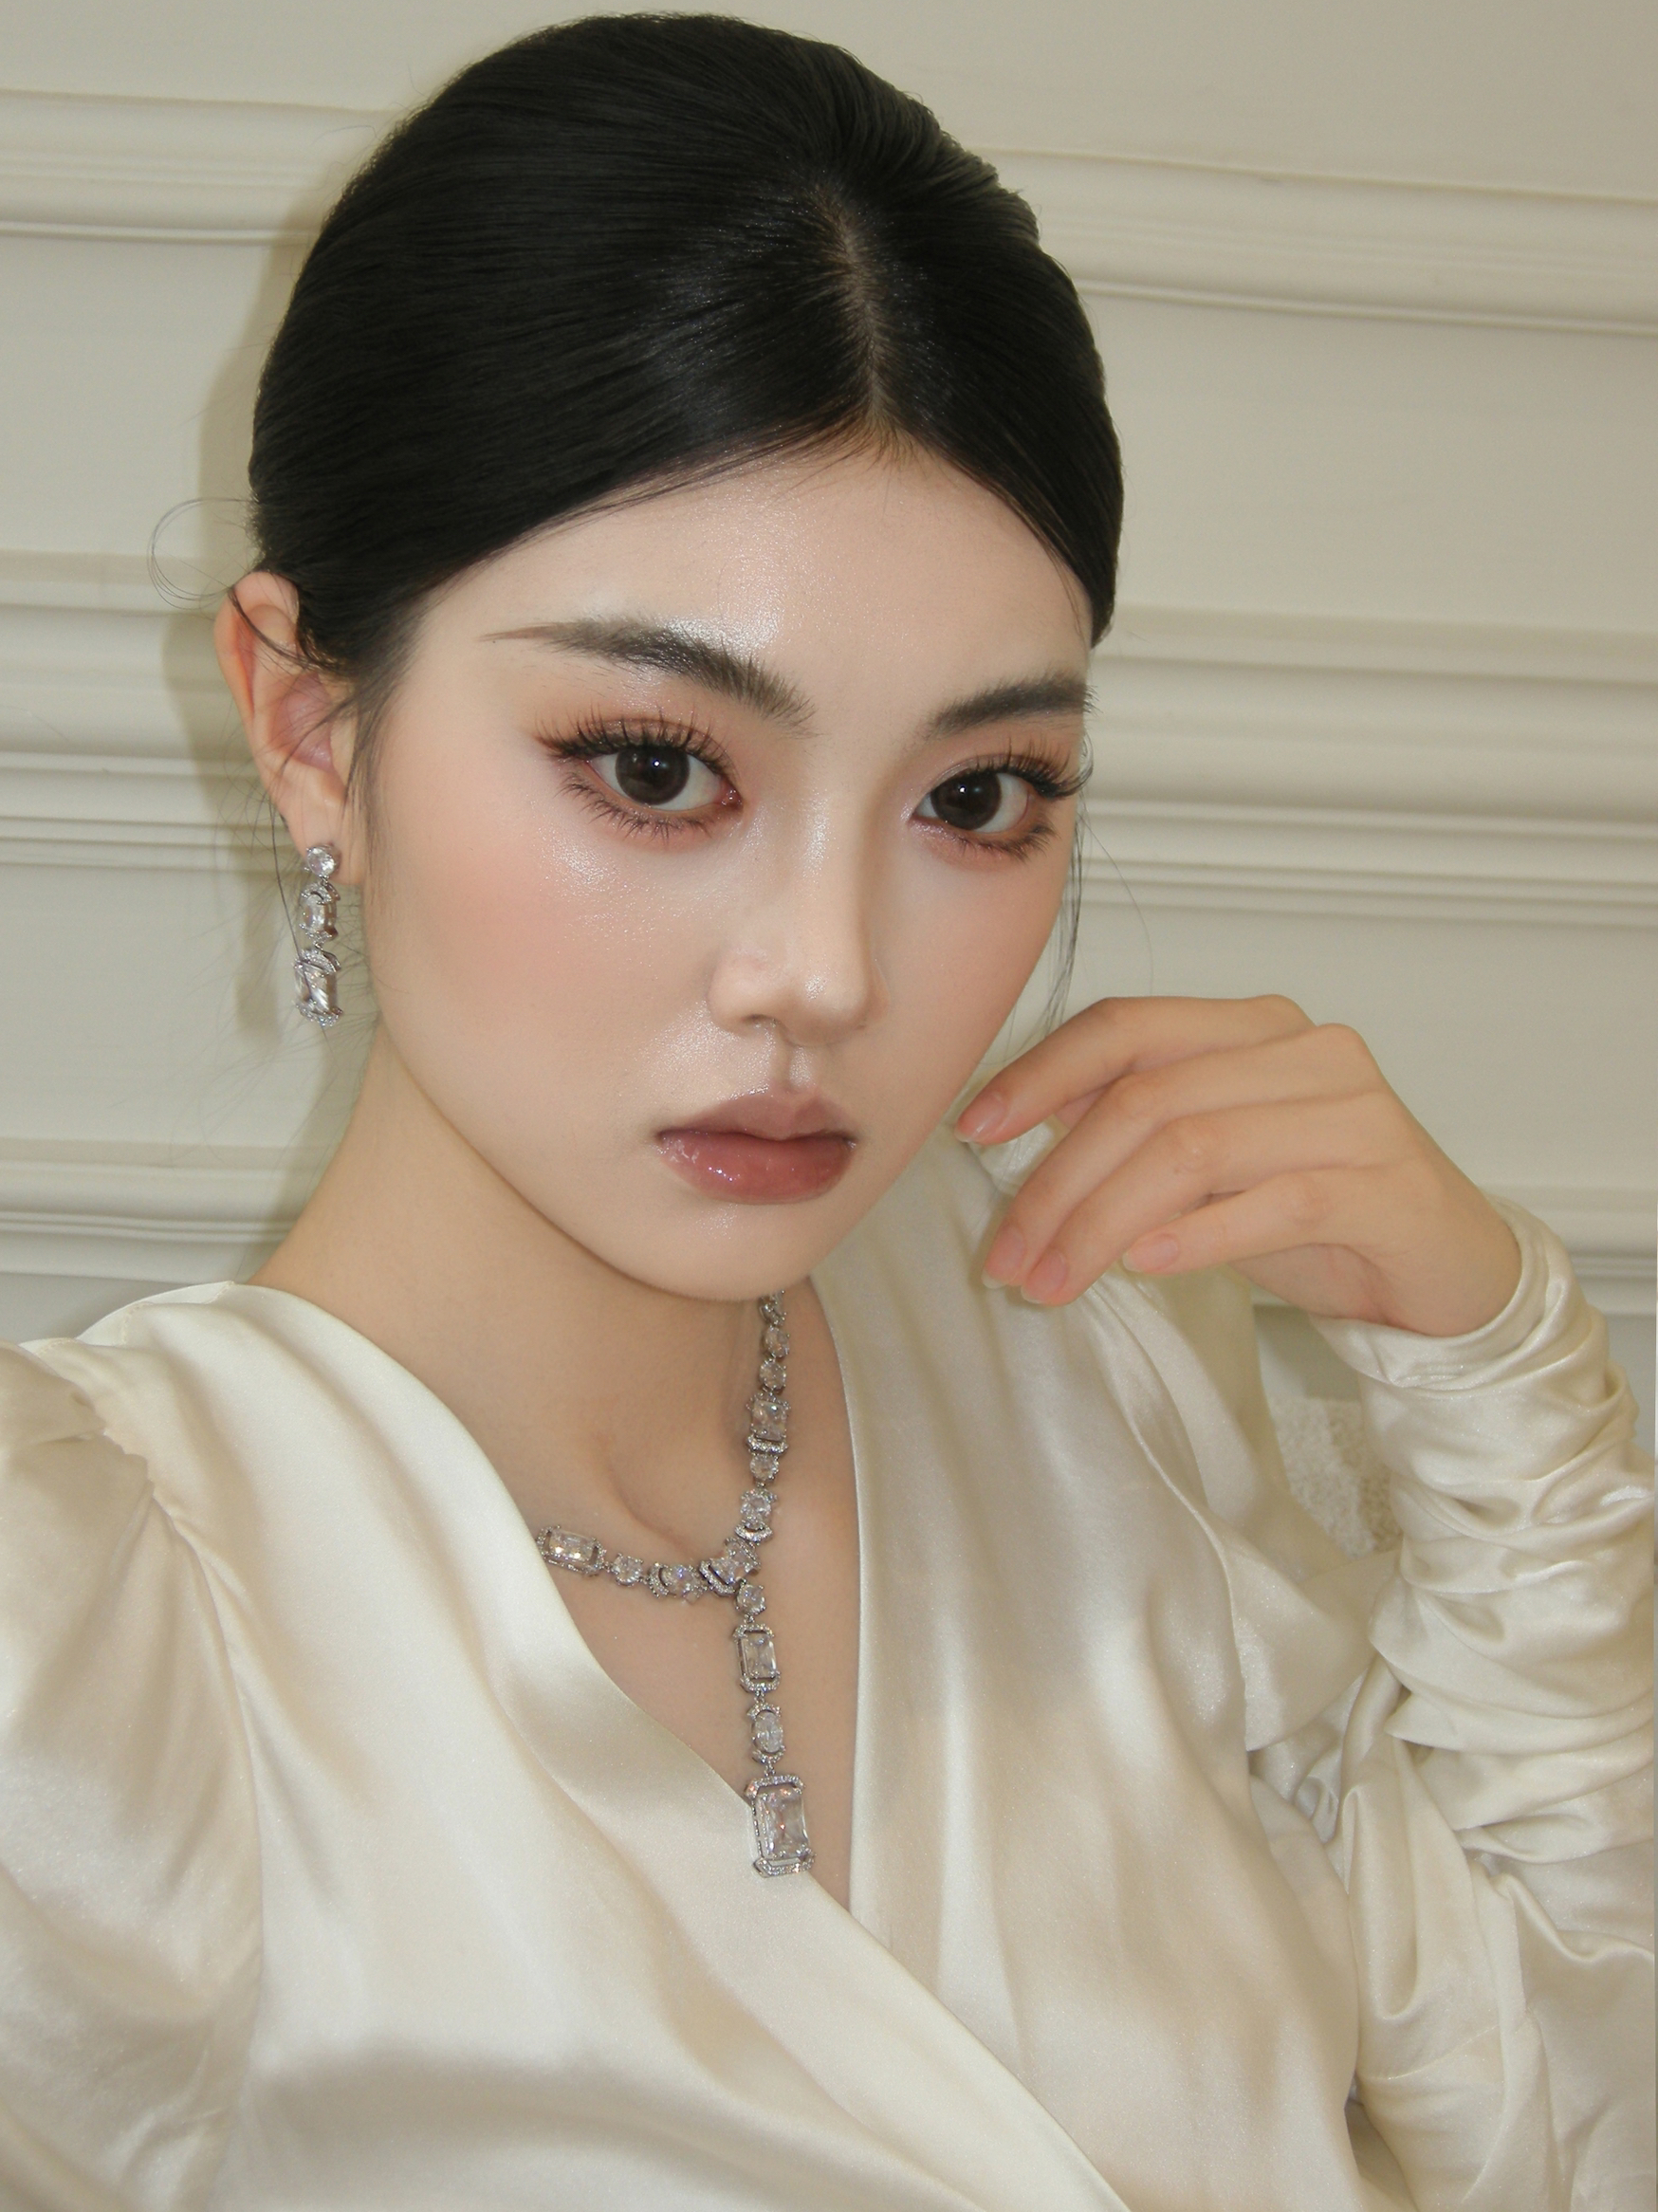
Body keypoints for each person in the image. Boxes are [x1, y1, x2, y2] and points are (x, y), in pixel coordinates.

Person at [0, 16, 1649, 2210]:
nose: (829, 972)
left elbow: (1557, 2131)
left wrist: (1495, 1364)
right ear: (310, 727)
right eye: (656, 767)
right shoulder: (83, 1636)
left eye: (976, 795)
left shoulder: (1085, 1361)